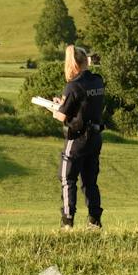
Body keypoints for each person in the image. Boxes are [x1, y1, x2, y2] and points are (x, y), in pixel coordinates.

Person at [51, 45, 105, 230]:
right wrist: (65, 103)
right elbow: (86, 105)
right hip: (96, 137)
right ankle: (94, 221)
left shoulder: (73, 85)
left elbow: (61, 116)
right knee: (90, 181)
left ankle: (67, 221)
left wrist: (56, 107)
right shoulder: (98, 81)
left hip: (77, 138)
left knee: (67, 179)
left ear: (71, 64)